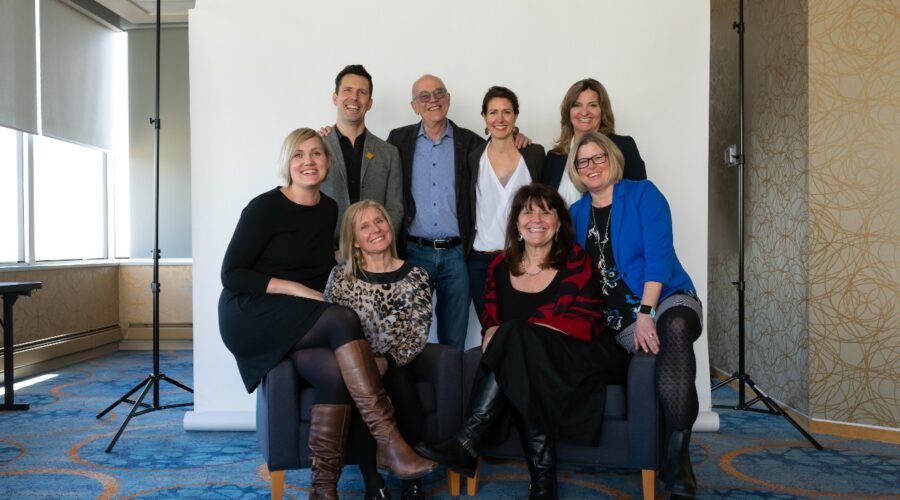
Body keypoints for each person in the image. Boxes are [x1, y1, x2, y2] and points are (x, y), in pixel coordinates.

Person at [217, 128, 435, 500]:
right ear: (287, 163)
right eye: (299, 154)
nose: (308, 162)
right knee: (342, 317)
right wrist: (297, 290)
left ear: (328, 162)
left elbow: (320, 263)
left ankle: (322, 490)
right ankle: (389, 441)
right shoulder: (264, 207)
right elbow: (232, 274)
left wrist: (365, 256)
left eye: (316, 153)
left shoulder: (329, 209)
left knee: (335, 374)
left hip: (298, 319)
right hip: (251, 314)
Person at [415, 184, 628, 500]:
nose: (536, 219)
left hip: (580, 357)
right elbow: (491, 319)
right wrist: (495, 330)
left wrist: (515, 333)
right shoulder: (500, 266)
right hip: (529, 364)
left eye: (546, 211)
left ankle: (468, 441)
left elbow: (587, 320)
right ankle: (542, 482)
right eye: (528, 212)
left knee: (516, 340)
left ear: (559, 223)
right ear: (516, 222)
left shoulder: (575, 260)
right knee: (520, 361)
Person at [569, 132, 703, 498]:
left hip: (669, 296)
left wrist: (647, 312)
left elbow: (659, 257)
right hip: (620, 320)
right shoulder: (576, 214)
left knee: (674, 328)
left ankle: (678, 457)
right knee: (661, 357)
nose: (592, 166)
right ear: (576, 170)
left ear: (612, 159)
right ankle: (670, 453)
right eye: (583, 161)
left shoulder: (644, 194)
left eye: (599, 157)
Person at [324, 200, 431, 500]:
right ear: (355, 240)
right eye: (365, 226)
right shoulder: (341, 277)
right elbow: (330, 327)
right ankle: (374, 484)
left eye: (379, 221)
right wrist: (366, 362)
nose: (376, 229)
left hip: (399, 361)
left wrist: (387, 360)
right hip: (355, 366)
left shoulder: (417, 275)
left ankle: (412, 482)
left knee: (398, 380)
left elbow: (418, 332)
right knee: (362, 387)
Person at [467, 86, 545, 320]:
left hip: (523, 257)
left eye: (507, 112)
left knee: (521, 326)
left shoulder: (534, 154)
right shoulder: (474, 157)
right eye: (493, 112)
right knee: (490, 328)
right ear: (484, 117)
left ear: (515, 116)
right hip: (482, 261)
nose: (500, 119)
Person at [321, 64, 403, 240]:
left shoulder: (388, 153)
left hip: (375, 249)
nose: (354, 97)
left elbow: (395, 208)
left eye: (362, 92)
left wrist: (379, 244)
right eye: (348, 90)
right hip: (326, 250)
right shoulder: (316, 148)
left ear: (370, 103)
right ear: (335, 98)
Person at [541, 78, 647, 206]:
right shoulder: (554, 157)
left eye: (593, 105)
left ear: (603, 111)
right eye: (576, 105)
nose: (584, 112)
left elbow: (641, 197)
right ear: (568, 111)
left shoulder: (623, 147)